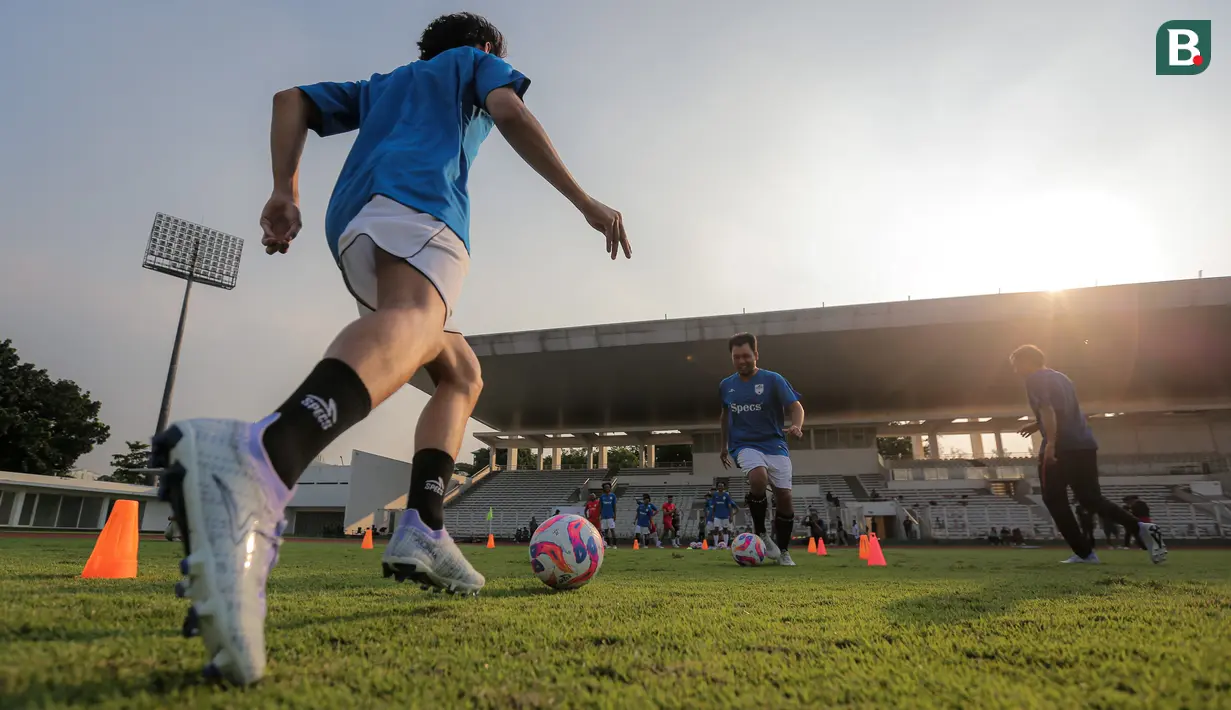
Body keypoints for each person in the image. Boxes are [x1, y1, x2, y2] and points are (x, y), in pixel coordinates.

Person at [150, 12, 629, 685]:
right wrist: (585, 202)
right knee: (415, 314)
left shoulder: (384, 84)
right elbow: (509, 111)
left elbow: (291, 100)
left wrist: (284, 189)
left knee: (459, 370)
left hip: (353, 222)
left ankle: (423, 527)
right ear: (488, 48)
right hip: (421, 205)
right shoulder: (472, 64)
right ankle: (263, 454)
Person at [1010, 344, 1165, 565]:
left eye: (1016, 364)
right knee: (1090, 499)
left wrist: (1051, 444)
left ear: (1027, 361)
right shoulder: (1061, 378)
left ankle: (1085, 554)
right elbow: (1064, 410)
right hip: (1084, 444)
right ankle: (1141, 527)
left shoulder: (1034, 379)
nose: (1016, 370)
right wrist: (1037, 425)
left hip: (1061, 446)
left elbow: (1048, 409)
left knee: (1053, 499)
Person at [719, 333, 805, 566]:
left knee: (784, 497)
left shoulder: (773, 379)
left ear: (756, 355)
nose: (741, 361)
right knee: (758, 477)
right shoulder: (726, 385)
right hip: (744, 445)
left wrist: (796, 425)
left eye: (746, 355)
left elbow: (796, 407)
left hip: (774, 444)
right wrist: (724, 446)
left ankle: (784, 551)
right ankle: (762, 534)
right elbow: (726, 415)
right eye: (736, 357)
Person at [710, 482, 737, 548]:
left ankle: (725, 545)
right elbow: (714, 506)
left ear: (723, 487)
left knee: (725, 530)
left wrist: (731, 516)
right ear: (717, 487)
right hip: (717, 515)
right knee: (716, 529)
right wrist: (713, 515)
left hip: (725, 515)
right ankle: (716, 545)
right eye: (719, 486)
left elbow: (730, 506)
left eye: (721, 486)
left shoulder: (726, 495)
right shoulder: (715, 495)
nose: (720, 487)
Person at [599, 482, 619, 548]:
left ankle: (615, 545)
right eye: (605, 487)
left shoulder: (613, 496)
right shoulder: (602, 496)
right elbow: (601, 507)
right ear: (604, 489)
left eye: (608, 487)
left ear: (610, 488)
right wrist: (600, 515)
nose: (607, 488)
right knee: (606, 531)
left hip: (611, 516)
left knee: (612, 530)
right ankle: (607, 545)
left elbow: (614, 506)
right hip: (604, 516)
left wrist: (615, 515)